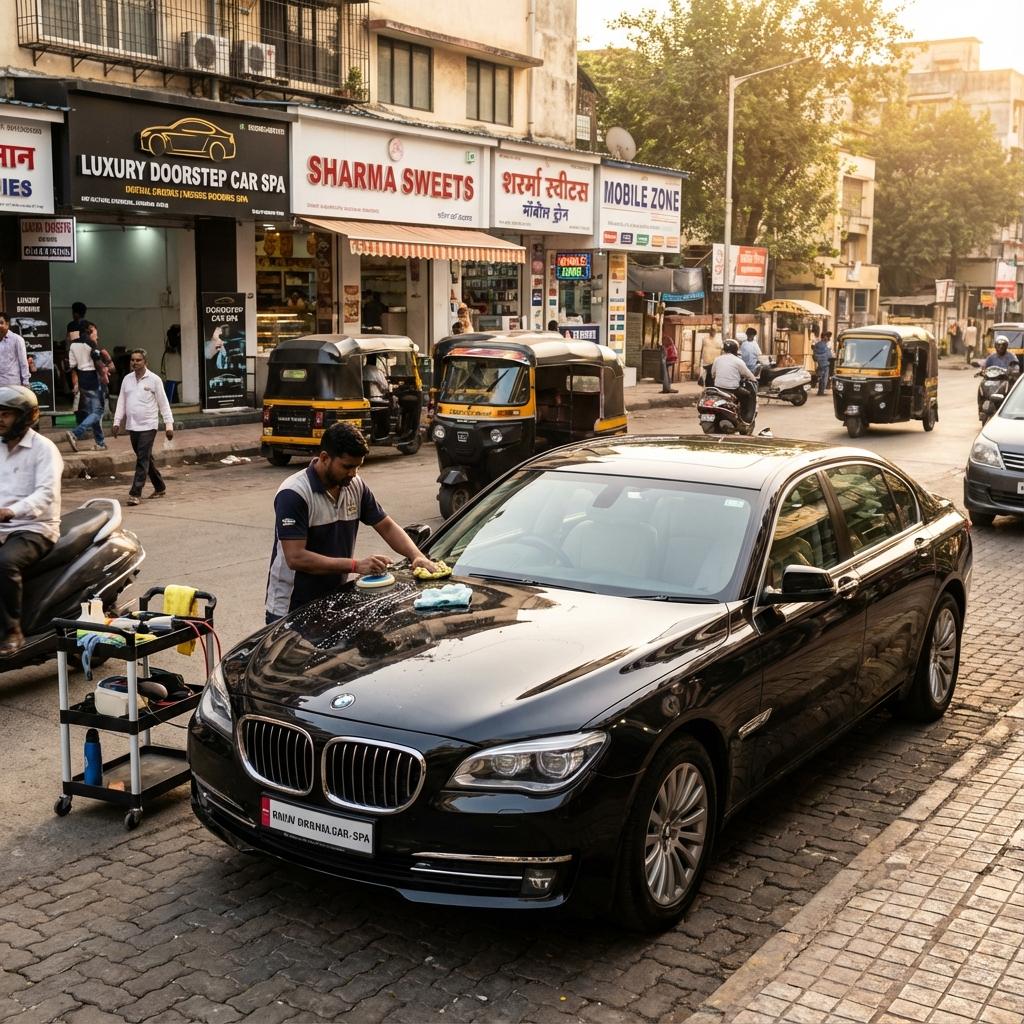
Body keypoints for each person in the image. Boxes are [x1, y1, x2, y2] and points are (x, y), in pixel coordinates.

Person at [265, 422, 436, 623]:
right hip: (291, 607)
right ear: (324, 458)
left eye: (357, 466)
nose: (353, 473)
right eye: (347, 466)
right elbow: (296, 558)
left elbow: (387, 526)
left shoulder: (355, 486)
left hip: (332, 600)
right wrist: (355, 565)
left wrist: (416, 556)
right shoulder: (294, 493)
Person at [0, 386, 62, 653]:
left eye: (6, 414)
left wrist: (11, 511)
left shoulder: (44, 449)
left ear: (25, 416)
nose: (0, 419)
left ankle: (12, 630)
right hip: (3, 527)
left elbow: (46, 494)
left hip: (34, 528)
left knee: (4, 563)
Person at [111, 349, 174, 506]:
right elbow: (121, 401)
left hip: (149, 425)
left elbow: (163, 403)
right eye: (132, 360)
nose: (134, 363)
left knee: (142, 459)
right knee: (145, 458)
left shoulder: (154, 380)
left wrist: (169, 425)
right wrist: (117, 422)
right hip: (132, 426)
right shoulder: (127, 379)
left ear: (146, 362)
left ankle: (135, 493)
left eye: (138, 360)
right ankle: (160, 487)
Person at [65, 321, 112, 451]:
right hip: (92, 377)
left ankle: (100, 442)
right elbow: (97, 362)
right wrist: (104, 374)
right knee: (98, 411)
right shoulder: (91, 344)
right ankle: (75, 433)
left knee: (93, 411)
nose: (97, 336)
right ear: (89, 331)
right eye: (95, 332)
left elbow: (72, 365)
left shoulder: (73, 345)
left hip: (82, 378)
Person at [711, 339, 758, 420]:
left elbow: (713, 374)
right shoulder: (738, 361)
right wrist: (754, 380)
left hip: (718, 388)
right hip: (733, 389)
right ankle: (745, 418)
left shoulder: (717, 359)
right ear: (736, 350)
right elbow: (748, 375)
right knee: (748, 396)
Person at [0, 314, 29, 388]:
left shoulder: (17, 339)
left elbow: (23, 363)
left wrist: (25, 383)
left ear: (7, 324)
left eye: (1, 323)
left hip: (12, 385)